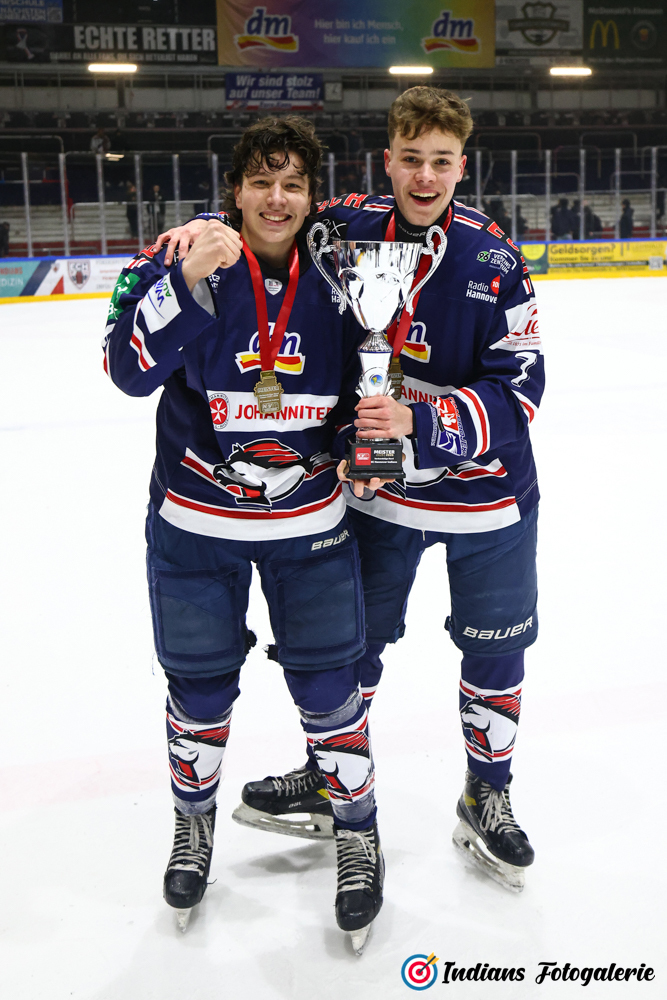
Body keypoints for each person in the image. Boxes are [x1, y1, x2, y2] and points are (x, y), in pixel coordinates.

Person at [158, 87, 545, 894]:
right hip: (377, 496)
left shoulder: (494, 259)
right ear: (387, 162)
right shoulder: (343, 226)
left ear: (461, 166)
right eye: (411, 159)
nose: (425, 176)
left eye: (441, 162)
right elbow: (269, 208)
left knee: (495, 648)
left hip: (488, 499)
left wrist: (421, 420)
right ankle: (324, 774)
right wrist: (200, 229)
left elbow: (523, 391)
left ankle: (487, 793)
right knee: (348, 654)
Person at [103, 116, 384, 952]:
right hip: (195, 527)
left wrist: (362, 446)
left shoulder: (343, 274)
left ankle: (357, 831)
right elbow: (126, 371)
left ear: (312, 195)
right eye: (260, 180)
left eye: (292, 182)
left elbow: (366, 385)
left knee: (331, 691)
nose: (275, 198)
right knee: (197, 691)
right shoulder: (176, 256)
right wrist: (183, 279)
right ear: (234, 189)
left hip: (310, 527)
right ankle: (193, 826)